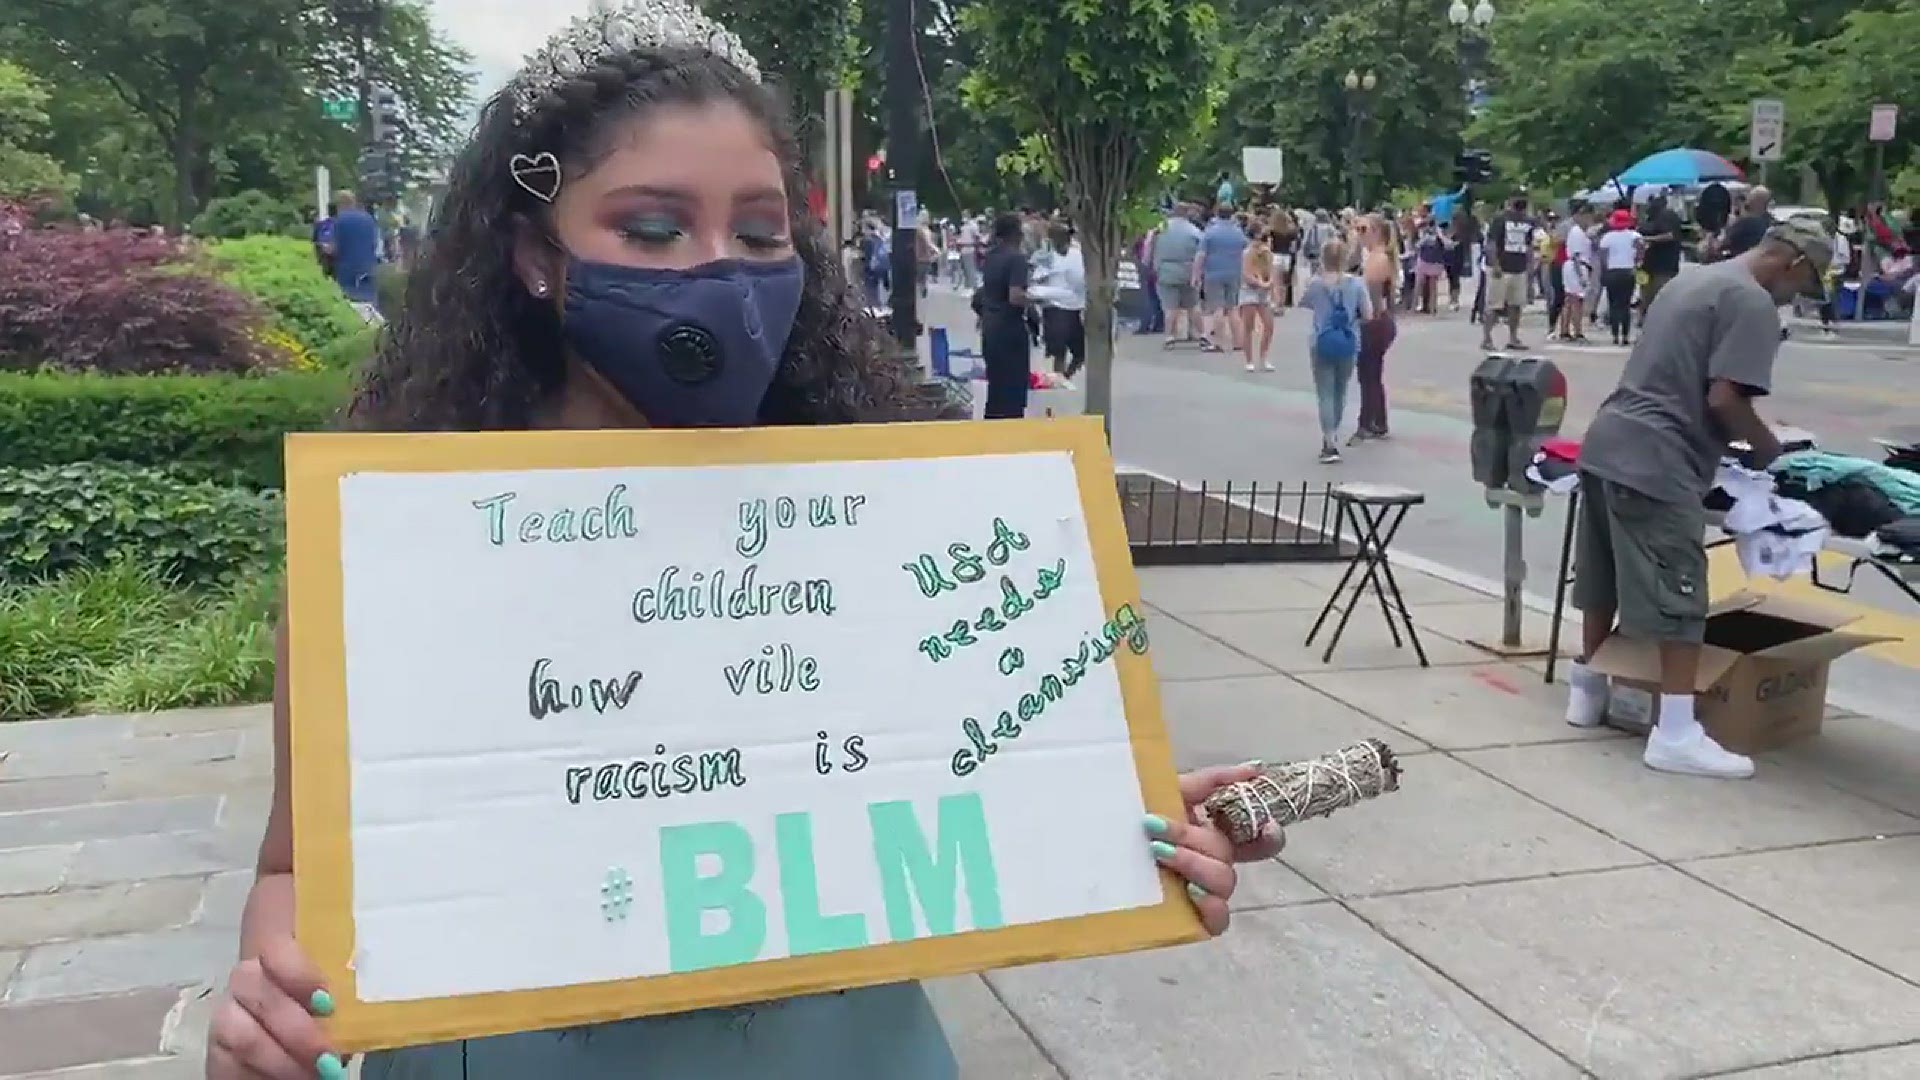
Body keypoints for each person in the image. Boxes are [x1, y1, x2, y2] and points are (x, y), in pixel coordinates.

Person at [201, 9, 1286, 1078]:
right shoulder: (396, 543)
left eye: (761, 233)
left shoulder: (879, 516)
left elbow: (966, 764)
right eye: (653, 228)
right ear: (537, 255)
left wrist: (1119, 819)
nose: (719, 270)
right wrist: (275, 1003)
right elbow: (295, 869)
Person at [1566, 220, 1830, 780]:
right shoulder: (1752, 303)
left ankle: (1588, 689)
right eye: (1804, 287)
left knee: (1602, 577)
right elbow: (1725, 399)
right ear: (1793, 263)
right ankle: (1677, 733)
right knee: (1682, 597)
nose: (1796, 300)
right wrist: (1767, 448)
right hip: (1658, 461)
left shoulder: (1692, 280)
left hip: (1608, 441)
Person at [1299, 239, 1373, 464]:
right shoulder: (1357, 284)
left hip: (1320, 341)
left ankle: (1328, 440)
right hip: (1349, 341)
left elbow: (1303, 302)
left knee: (1324, 392)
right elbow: (1368, 315)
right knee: (1340, 390)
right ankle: (1335, 432)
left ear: (1322, 258)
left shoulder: (1316, 284)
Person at [977, 213, 1034, 418]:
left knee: (996, 387)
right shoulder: (1017, 259)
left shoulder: (991, 257)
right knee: (1014, 388)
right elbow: (1015, 296)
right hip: (1010, 329)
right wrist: (1036, 299)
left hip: (990, 328)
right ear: (1017, 234)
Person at [1353, 214, 1398, 441]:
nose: (1358, 234)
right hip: (1377, 321)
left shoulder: (1378, 259)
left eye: (1363, 229)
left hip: (1376, 322)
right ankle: (1377, 421)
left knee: (1368, 372)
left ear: (1376, 232)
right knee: (1370, 373)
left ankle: (1368, 422)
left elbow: (1373, 295)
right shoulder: (1373, 256)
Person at [1480, 194, 1536, 352]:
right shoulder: (1500, 220)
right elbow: (1491, 243)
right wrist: (1496, 264)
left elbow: (1529, 245)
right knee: (1494, 305)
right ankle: (1487, 338)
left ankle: (1513, 337)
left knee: (1516, 305)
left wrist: (1530, 265)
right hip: (1502, 268)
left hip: (1519, 267)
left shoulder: (1528, 223)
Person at [1030, 222, 1086, 377]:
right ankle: (1058, 378)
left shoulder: (1077, 254)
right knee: (1058, 350)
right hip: (1054, 307)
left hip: (1074, 307)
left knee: (1080, 351)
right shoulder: (1046, 256)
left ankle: (1065, 376)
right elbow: (1035, 279)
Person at [1149, 202, 1203, 347]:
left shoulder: (1161, 228)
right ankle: (1200, 334)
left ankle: (1169, 337)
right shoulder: (1194, 231)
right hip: (1188, 270)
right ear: (1187, 213)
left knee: (1170, 307)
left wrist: (1151, 264)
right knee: (1193, 305)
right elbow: (1201, 252)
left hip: (1166, 270)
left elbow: (1150, 245)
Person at [1199, 203, 1249, 353]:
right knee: (1233, 308)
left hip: (1213, 273)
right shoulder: (1238, 232)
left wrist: (1196, 274)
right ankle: (1239, 342)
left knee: (1217, 308)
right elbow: (1246, 250)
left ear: (1217, 213)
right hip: (1234, 273)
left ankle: (1218, 342)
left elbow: (1201, 255)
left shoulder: (1210, 232)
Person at [328, 190, 381, 319]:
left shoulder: (339, 221)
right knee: (369, 308)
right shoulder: (369, 219)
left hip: (347, 272)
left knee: (350, 310)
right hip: (369, 269)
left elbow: (334, 249)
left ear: (339, 205)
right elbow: (376, 245)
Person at [1595, 208, 1643, 346]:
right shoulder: (1634, 235)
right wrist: (1636, 262)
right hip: (1628, 271)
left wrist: (1605, 270)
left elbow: (1603, 257)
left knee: (1614, 304)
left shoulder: (1607, 237)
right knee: (1625, 304)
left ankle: (1615, 335)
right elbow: (1641, 249)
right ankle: (1626, 335)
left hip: (1612, 272)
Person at [1637, 186, 1685, 319]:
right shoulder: (1649, 218)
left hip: (1664, 267)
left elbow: (1669, 235)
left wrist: (1647, 239)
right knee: (1645, 297)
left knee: (1660, 298)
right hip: (1647, 266)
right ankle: (1644, 320)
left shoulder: (1667, 216)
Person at [1239, 223, 1276, 372]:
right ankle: (1249, 360)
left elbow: (1272, 271)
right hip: (1249, 291)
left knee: (1269, 325)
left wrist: (1270, 283)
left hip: (1263, 292)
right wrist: (1260, 283)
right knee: (1248, 326)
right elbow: (1246, 274)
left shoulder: (1268, 253)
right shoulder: (1248, 252)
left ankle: (1264, 357)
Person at [1557, 203, 1594, 343]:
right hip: (1576, 267)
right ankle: (1577, 331)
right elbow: (1576, 256)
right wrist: (1581, 276)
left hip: (1576, 266)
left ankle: (1565, 330)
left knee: (1570, 301)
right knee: (1576, 301)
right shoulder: (1577, 232)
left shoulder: (1580, 232)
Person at [1717, 184, 1772, 259]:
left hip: (1740, 264)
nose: (1747, 201)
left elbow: (1724, 242)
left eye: (1749, 198)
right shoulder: (1770, 223)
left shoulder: (1746, 223)